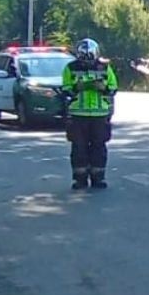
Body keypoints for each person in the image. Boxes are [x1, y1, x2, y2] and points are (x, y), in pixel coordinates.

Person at [61, 39, 117, 189]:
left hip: (99, 115)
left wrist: (103, 87)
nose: (87, 59)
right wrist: (77, 87)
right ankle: (80, 179)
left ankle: (98, 178)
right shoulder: (70, 68)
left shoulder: (104, 67)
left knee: (99, 147)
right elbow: (65, 89)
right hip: (78, 115)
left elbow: (113, 88)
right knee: (79, 148)